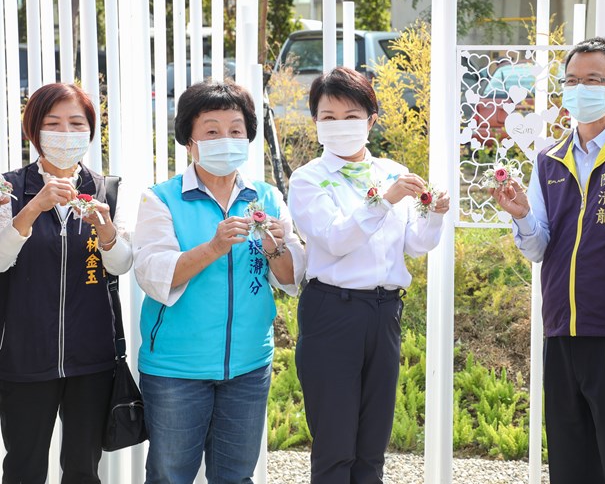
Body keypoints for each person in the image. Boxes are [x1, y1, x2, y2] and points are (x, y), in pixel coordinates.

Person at [491, 37, 605, 484]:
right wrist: (521, 217)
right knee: (572, 467)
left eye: (593, 80)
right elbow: (539, 248)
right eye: (572, 81)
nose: (581, 89)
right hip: (562, 335)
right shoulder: (547, 160)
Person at [132, 79, 305, 484]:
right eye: (211, 130)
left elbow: (291, 277)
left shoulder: (266, 198)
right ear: (189, 141)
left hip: (248, 366)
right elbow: (154, 274)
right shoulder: (161, 199)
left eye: (235, 130)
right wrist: (213, 247)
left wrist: (276, 246)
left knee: (236, 477)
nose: (225, 139)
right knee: (170, 476)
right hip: (176, 370)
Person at [288, 67, 448, 484]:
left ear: (371, 120)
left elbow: (414, 245)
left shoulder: (391, 170)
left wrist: (434, 214)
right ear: (316, 123)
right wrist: (385, 200)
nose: (340, 126)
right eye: (329, 117)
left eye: (351, 116)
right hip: (333, 312)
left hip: (385, 311)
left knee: (373, 443)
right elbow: (335, 239)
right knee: (336, 445)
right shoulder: (308, 179)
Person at [0, 82, 133, 483]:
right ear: (34, 131)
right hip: (25, 356)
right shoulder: (9, 188)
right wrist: (34, 207)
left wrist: (107, 231)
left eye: (77, 124)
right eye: (53, 123)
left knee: (82, 469)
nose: (65, 134)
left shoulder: (104, 188)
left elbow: (123, 264)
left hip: (92, 358)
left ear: (91, 132)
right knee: (23, 468)